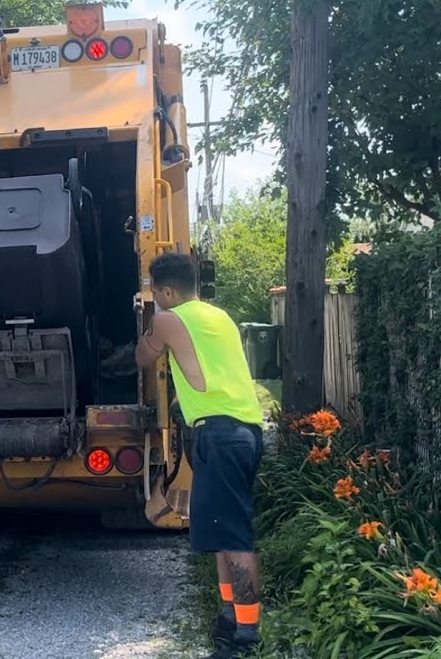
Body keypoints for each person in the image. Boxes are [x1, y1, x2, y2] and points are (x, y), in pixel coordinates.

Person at [135, 252, 265, 657]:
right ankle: (229, 617)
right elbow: (207, 371)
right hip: (244, 431)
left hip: (220, 436)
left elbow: (142, 357)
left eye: (156, 292)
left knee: (235, 537)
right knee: (223, 532)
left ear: (165, 291)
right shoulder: (219, 317)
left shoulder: (168, 320)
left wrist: (149, 321)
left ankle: (246, 638)